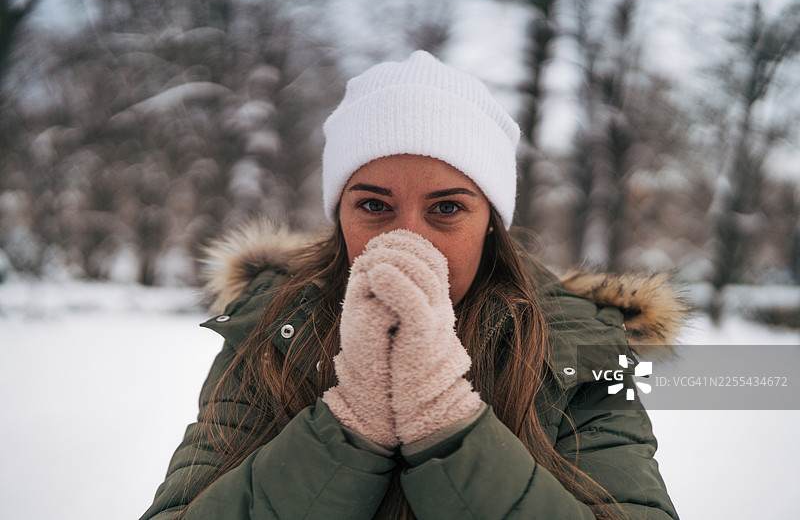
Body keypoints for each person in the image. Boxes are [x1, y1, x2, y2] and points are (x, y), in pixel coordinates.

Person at [140, 50, 685, 520]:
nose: (408, 242)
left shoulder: (582, 345)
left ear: (492, 223)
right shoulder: (270, 327)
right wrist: (350, 425)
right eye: (374, 206)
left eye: (447, 208)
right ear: (340, 218)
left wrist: (446, 420)